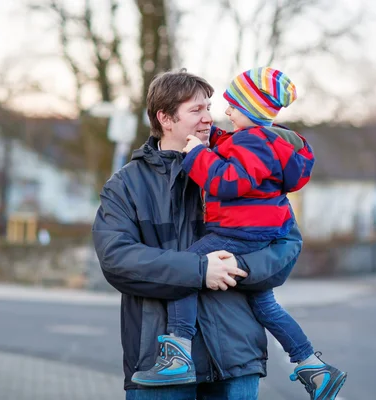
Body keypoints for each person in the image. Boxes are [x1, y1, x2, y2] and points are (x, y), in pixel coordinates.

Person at [131, 67, 347, 400]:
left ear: (251, 109)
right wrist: (211, 140)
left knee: (188, 267)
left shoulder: (252, 143)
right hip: (260, 235)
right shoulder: (266, 142)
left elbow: (228, 181)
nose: (224, 113)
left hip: (237, 232)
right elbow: (235, 152)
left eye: (232, 105)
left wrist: (197, 155)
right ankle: (312, 365)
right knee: (266, 306)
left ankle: (178, 352)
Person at [92, 68, 304, 400]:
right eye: (196, 110)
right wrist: (201, 271)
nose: (209, 118)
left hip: (236, 361)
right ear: (165, 118)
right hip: (157, 366)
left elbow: (288, 244)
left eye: (209, 107)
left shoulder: (245, 165)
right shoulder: (126, 185)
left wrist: (241, 267)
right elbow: (117, 260)